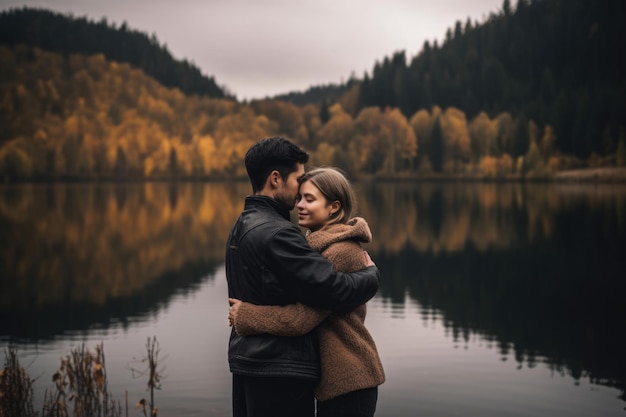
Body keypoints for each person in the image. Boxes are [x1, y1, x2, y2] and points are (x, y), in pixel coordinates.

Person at [225, 137, 380, 417]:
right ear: (275, 179)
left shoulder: (243, 224)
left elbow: (309, 310)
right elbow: (330, 291)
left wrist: (245, 316)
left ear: (333, 206)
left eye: (309, 197)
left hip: (258, 363)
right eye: (299, 182)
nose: (299, 199)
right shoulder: (281, 233)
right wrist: (371, 276)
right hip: (276, 369)